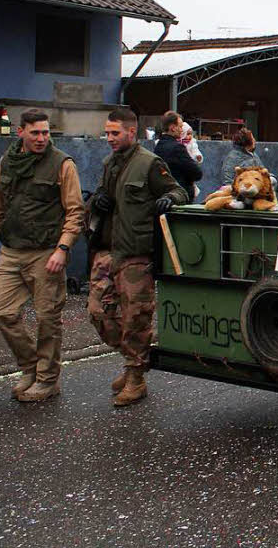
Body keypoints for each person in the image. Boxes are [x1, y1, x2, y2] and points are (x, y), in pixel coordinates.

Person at [0, 109, 84, 401]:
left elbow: (75, 212)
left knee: (48, 319)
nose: (41, 138)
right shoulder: (7, 163)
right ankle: (30, 367)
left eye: (46, 132)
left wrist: (63, 248)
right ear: (21, 132)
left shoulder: (61, 164)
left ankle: (48, 379)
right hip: (12, 251)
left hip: (46, 252)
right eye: (35, 132)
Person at [86, 108, 187, 406]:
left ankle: (135, 377)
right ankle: (134, 360)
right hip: (108, 251)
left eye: (115, 133)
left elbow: (178, 192)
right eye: (107, 133)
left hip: (136, 254)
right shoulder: (109, 164)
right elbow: (97, 201)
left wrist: (168, 199)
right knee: (98, 313)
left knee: (136, 318)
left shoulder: (149, 163)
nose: (109, 138)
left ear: (132, 132)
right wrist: (96, 201)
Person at [153, 111, 202, 203]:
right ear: (172, 128)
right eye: (180, 127)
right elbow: (197, 173)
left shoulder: (158, 146)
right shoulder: (177, 148)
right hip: (179, 198)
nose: (181, 130)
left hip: (164, 196)